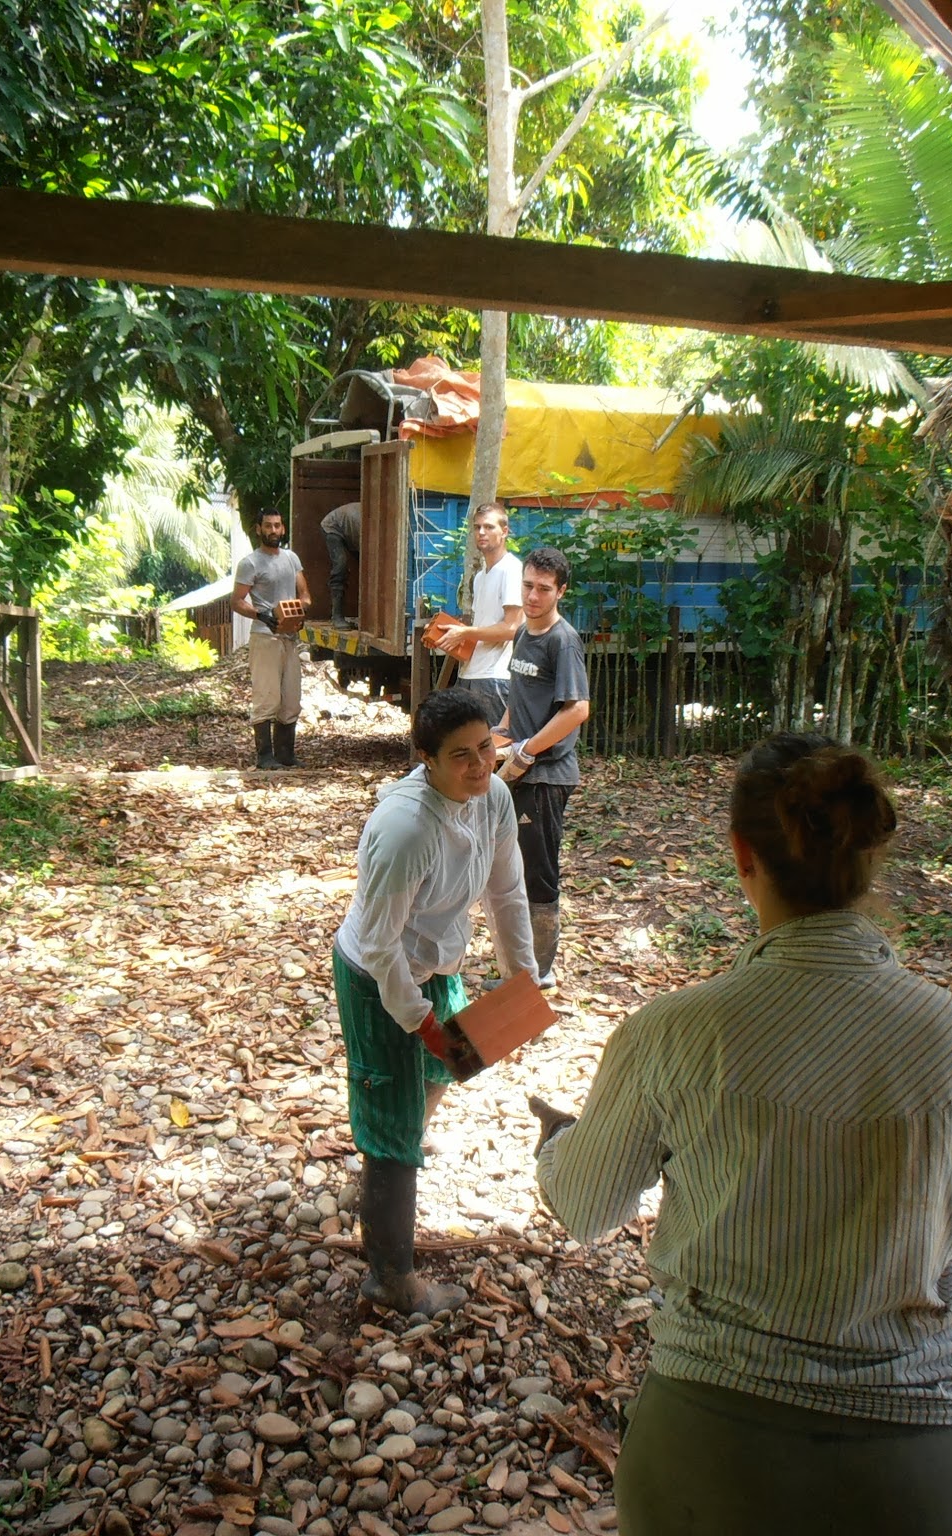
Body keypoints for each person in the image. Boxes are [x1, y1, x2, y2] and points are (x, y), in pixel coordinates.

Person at [531, 734, 952, 1536]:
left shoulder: (676, 1033)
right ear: (869, 855)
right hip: (928, 1460)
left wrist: (557, 1147)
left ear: (741, 855)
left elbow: (585, 1207)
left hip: (712, 1449)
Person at [333, 688, 537, 1316]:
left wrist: (523, 978)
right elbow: (379, 943)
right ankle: (390, 1279)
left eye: (485, 747)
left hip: (436, 959)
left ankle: (385, 1167)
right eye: (460, 756)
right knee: (392, 1119)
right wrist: (417, 1019)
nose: (480, 765)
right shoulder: (406, 829)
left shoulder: (492, 796)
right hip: (380, 975)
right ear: (426, 758)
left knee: (451, 1063)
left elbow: (507, 891)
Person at [494, 547, 589, 987]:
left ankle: (537, 974)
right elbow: (518, 697)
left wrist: (528, 751)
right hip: (516, 768)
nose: (533, 596)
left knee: (538, 872)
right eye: (528, 586)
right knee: (509, 869)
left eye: (544, 589)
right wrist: (501, 733)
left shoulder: (562, 641)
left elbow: (577, 709)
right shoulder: (522, 633)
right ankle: (518, 969)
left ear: (561, 591)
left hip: (547, 775)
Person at [232, 508, 310, 770]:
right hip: (265, 637)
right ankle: (265, 756)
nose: (273, 530)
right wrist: (262, 615)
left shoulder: (291, 558)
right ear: (259, 529)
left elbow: (305, 595)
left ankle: (286, 754)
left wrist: (299, 612)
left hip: (290, 637)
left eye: (277, 525)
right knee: (267, 696)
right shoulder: (250, 563)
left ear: (283, 528)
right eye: (268, 526)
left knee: (291, 698)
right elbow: (237, 601)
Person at [440, 502, 524, 709]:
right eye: (477, 527)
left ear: (504, 531)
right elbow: (483, 626)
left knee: (494, 733)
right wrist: (447, 635)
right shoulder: (480, 576)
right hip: (470, 672)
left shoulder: (512, 569)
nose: (481, 532)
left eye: (489, 527)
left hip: (496, 676)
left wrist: (465, 632)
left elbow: (512, 629)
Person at [321, 500, 361, 629]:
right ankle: (336, 616)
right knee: (340, 566)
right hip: (333, 527)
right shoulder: (362, 527)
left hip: (349, 529)